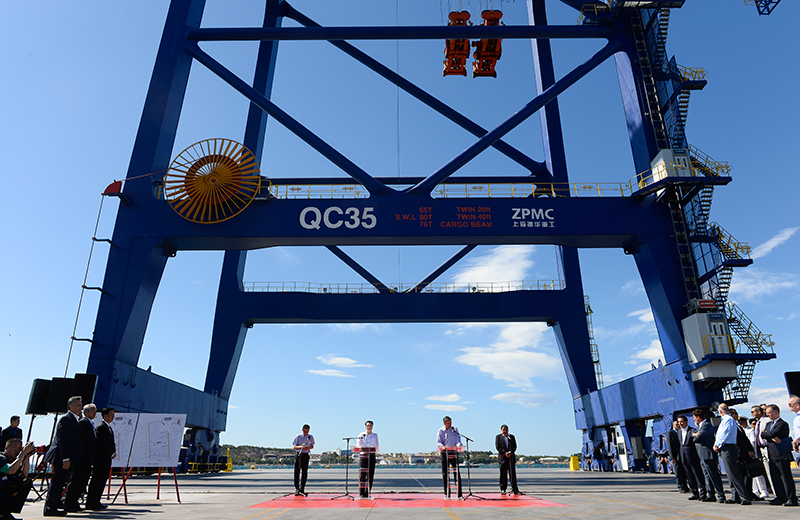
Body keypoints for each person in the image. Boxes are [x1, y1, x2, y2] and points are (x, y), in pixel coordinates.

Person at [44, 396, 84, 516]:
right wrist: (65, 458)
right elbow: (63, 440)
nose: (80, 407)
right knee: (57, 482)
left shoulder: (74, 419)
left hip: (68, 457)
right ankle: (50, 508)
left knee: (61, 482)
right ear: (70, 406)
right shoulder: (66, 419)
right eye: (78, 405)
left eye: (81, 405)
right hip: (62, 458)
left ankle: (56, 504)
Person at [760, 404, 798, 506]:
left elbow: (771, 433)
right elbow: (762, 434)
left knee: (785, 477)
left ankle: (791, 498)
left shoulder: (782, 424)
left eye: (769, 413)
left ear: (776, 413)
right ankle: (780, 497)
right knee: (775, 477)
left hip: (781, 455)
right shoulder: (769, 424)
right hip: (772, 455)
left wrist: (769, 435)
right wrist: (770, 436)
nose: (768, 415)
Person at [712, 403, 749, 505]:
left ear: (720, 411)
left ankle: (744, 497)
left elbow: (725, 433)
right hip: (725, 447)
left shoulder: (728, 420)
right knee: (730, 473)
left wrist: (717, 444)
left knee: (734, 473)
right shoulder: (725, 420)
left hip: (728, 447)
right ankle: (735, 496)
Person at [64, 404, 97, 512]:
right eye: (93, 411)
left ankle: (74, 502)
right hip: (82, 459)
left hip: (88, 458)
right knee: (77, 480)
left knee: (82, 481)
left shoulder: (90, 423)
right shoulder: (83, 423)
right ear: (86, 412)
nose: (95, 413)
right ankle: (69, 503)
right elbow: (80, 441)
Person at [692, 408, 726, 503]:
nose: (694, 419)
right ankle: (711, 494)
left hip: (708, 454)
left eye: (694, 417)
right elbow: (693, 435)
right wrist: (694, 435)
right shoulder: (700, 427)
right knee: (707, 475)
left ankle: (720, 495)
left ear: (698, 417)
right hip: (702, 455)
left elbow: (698, 437)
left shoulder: (706, 425)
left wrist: (695, 436)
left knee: (713, 475)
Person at [86, 407, 116, 510]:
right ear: (105, 415)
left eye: (113, 414)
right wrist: (110, 452)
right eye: (111, 414)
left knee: (102, 481)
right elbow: (102, 444)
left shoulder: (108, 427)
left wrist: (113, 452)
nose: (113, 417)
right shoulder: (101, 427)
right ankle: (91, 502)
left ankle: (96, 501)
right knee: (97, 480)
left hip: (106, 459)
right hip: (100, 459)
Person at [0, 438, 36, 520]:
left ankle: (5, 513)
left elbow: (24, 476)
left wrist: (26, 457)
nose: (17, 450)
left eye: (19, 448)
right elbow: (10, 470)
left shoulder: (14, 461)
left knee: (26, 483)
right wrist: (23, 453)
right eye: (14, 448)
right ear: (6, 448)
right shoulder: (1, 458)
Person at [677, 415, 707, 501]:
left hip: (692, 457)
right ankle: (694, 493)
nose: (680, 424)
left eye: (682, 422)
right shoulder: (679, 432)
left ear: (686, 422)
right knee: (689, 476)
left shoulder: (692, 430)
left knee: (697, 475)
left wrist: (694, 434)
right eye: (679, 422)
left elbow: (694, 435)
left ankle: (703, 494)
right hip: (684, 457)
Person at [436, 416, 462, 498]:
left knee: (456, 472)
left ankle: (459, 493)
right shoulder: (440, 431)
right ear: (444, 423)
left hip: (453, 451)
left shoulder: (454, 429)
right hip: (445, 452)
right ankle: (447, 493)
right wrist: (443, 447)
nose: (450, 424)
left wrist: (459, 445)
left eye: (451, 422)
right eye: (448, 423)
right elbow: (439, 442)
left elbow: (458, 439)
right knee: (445, 473)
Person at [750, 404, 774, 495]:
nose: (752, 414)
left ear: (759, 411)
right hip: (761, 450)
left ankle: (777, 493)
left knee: (772, 472)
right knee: (767, 472)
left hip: (768, 448)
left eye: (753, 411)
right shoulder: (758, 423)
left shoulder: (767, 420)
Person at [746, 418, 769, 499]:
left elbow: (753, 443)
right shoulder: (744, 430)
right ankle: (755, 490)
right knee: (752, 474)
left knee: (758, 474)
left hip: (753, 453)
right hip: (748, 455)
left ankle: (763, 490)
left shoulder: (751, 431)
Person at [356, 420, 379, 498]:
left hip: (371, 455)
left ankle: (368, 492)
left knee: (370, 474)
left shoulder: (375, 435)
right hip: (363, 456)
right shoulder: (362, 434)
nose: (369, 427)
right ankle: (362, 493)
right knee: (362, 475)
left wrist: (371, 448)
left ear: (372, 427)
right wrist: (363, 448)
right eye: (368, 425)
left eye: (370, 425)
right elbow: (358, 443)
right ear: (365, 426)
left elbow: (376, 444)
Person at [495, 424, 519, 495]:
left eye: (506, 430)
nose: (505, 431)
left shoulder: (511, 437)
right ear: (501, 430)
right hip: (503, 458)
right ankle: (503, 489)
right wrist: (505, 453)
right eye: (503, 430)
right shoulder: (498, 437)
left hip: (511, 458)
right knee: (503, 474)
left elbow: (514, 446)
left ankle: (514, 489)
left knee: (512, 474)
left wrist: (510, 452)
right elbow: (498, 447)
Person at [665, 420, 689, 493]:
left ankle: (685, 486)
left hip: (682, 455)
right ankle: (680, 486)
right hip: (676, 456)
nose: (678, 425)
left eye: (679, 424)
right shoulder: (670, 433)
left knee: (684, 472)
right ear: (673, 426)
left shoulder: (681, 432)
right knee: (678, 472)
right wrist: (672, 457)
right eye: (676, 424)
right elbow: (670, 446)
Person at [292, 425, 314, 496]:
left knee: (304, 472)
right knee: (297, 471)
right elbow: (294, 447)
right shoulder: (298, 437)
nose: (306, 433)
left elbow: (312, 446)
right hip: (299, 454)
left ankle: (302, 488)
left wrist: (308, 447)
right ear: (302, 430)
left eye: (307, 431)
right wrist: (301, 447)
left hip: (306, 455)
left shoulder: (310, 437)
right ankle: (297, 488)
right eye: (305, 431)